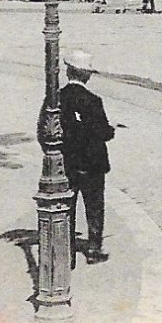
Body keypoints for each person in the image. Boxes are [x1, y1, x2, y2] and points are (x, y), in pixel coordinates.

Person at [57, 51, 117, 264]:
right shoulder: (93, 101)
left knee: (67, 209)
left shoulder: (57, 98)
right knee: (94, 207)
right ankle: (93, 250)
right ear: (85, 75)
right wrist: (110, 131)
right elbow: (102, 132)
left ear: (68, 71)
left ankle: (68, 253)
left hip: (67, 163)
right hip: (93, 164)